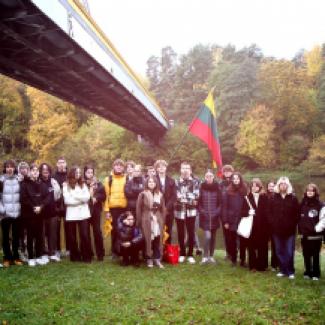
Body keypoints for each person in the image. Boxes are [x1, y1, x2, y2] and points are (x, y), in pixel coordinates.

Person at [268, 176, 299, 279]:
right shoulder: (273, 197)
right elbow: (269, 213)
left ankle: (290, 271)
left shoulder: (293, 198)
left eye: (285, 184)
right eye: (281, 184)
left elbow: (297, 214)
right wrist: (273, 223)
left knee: (289, 251)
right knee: (279, 251)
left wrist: (292, 224)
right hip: (276, 230)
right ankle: (282, 270)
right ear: (279, 185)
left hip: (289, 230)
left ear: (288, 185)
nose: (283, 186)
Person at [20, 163, 51, 267]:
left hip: (40, 214)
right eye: (33, 170)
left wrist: (41, 207)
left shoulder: (42, 184)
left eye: (37, 171)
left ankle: (39, 256)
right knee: (30, 236)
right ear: (29, 172)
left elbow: (47, 197)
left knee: (39, 236)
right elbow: (24, 199)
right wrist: (34, 207)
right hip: (29, 214)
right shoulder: (25, 184)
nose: (35, 172)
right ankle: (31, 258)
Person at [63, 166, 92, 263]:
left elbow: (87, 197)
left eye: (79, 173)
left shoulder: (82, 184)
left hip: (83, 213)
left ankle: (86, 256)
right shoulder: (66, 185)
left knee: (84, 235)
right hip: (71, 214)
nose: (78, 175)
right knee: (72, 236)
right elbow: (67, 200)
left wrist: (75, 196)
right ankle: (75, 256)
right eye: (76, 173)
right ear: (72, 173)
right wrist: (81, 200)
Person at [136, 176, 166, 268]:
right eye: (149, 182)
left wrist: (162, 220)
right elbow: (138, 208)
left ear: (156, 183)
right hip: (146, 218)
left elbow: (163, 208)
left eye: (153, 182)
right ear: (147, 183)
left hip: (157, 219)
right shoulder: (143, 194)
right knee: (148, 239)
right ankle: (148, 258)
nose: (151, 183)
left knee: (157, 239)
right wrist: (139, 221)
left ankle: (157, 258)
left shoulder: (160, 194)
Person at [174, 162, 200, 264]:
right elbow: (177, 195)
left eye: (187, 168)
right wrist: (188, 197)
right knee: (180, 232)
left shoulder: (196, 181)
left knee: (191, 232)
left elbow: (196, 195)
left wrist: (184, 197)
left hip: (191, 211)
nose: (185, 170)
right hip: (179, 210)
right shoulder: (176, 182)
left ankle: (190, 254)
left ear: (190, 170)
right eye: (183, 168)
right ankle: (182, 253)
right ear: (180, 170)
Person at [241, 178, 268, 271]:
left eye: (256, 185)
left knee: (262, 246)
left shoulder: (264, 197)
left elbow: (267, 212)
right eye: (252, 185)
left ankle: (262, 266)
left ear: (260, 186)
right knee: (251, 246)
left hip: (263, 226)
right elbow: (242, 212)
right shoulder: (247, 197)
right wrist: (248, 212)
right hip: (252, 226)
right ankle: (252, 266)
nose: (254, 187)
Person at [298, 184, 323, 280]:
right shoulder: (303, 204)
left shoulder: (320, 204)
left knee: (315, 254)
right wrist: (300, 231)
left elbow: (323, 220)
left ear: (315, 192)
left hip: (315, 235)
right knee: (306, 253)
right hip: (304, 234)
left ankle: (316, 273)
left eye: (312, 191)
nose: (309, 192)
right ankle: (307, 272)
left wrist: (315, 229)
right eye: (308, 190)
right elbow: (299, 218)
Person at [0, 159, 23, 267]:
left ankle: (16, 257)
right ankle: (7, 258)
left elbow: (23, 195)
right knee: (5, 237)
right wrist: (2, 210)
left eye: (11, 166)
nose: (9, 168)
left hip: (17, 213)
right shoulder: (1, 180)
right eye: (7, 166)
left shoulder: (19, 179)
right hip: (5, 214)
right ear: (5, 168)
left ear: (14, 168)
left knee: (15, 236)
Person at [222, 172, 247, 266]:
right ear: (232, 180)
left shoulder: (244, 190)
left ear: (240, 179)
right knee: (232, 241)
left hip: (242, 219)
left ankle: (243, 260)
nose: (236, 180)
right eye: (234, 179)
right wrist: (225, 221)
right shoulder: (228, 191)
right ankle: (233, 259)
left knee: (243, 241)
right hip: (231, 219)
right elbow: (225, 207)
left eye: (237, 178)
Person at [103, 159, 128, 258]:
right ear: (113, 167)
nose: (118, 167)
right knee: (114, 230)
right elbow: (106, 196)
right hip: (113, 209)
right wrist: (107, 210)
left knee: (124, 230)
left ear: (123, 168)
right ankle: (114, 252)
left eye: (121, 166)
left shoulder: (127, 178)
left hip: (124, 208)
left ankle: (123, 250)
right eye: (117, 165)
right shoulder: (108, 179)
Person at [198, 170, 222, 264]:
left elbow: (221, 203)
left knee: (213, 238)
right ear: (205, 177)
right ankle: (205, 256)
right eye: (207, 176)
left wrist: (217, 212)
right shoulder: (201, 187)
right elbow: (198, 203)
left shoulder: (217, 188)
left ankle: (211, 256)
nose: (209, 178)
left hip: (215, 217)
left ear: (213, 177)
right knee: (208, 236)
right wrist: (202, 211)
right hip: (205, 217)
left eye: (211, 176)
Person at [39, 163, 61, 262]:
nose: (45, 171)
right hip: (41, 214)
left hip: (53, 213)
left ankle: (52, 253)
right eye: (43, 169)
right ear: (40, 171)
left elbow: (58, 196)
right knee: (42, 234)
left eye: (47, 169)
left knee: (53, 234)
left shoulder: (53, 181)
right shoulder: (38, 182)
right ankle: (43, 253)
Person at [84, 165, 106, 261]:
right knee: (86, 232)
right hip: (84, 210)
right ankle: (88, 253)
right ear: (85, 173)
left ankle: (100, 254)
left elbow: (103, 195)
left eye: (91, 172)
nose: (90, 174)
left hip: (96, 210)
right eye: (88, 172)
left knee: (97, 231)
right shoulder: (82, 183)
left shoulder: (98, 183)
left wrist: (96, 198)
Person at [154, 160, 176, 244]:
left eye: (163, 166)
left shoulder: (171, 180)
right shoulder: (153, 180)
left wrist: (166, 208)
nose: (161, 168)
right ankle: (158, 252)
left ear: (166, 168)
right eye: (159, 166)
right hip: (157, 210)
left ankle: (168, 252)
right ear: (157, 169)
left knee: (168, 231)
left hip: (168, 211)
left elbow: (174, 196)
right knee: (157, 231)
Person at [53, 157, 69, 257]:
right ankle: (57, 249)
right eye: (59, 162)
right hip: (57, 206)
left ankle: (69, 249)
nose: (61, 164)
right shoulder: (53, 176)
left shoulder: (69, 175)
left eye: (63, 162)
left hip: (68, 206)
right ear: (57, 164)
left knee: (68, 228)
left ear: (66, 164)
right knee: (57, 229)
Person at [219, 165, 235, 261]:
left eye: (229, 171)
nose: (227, 173)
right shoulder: (221, 184)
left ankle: (234, 252)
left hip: (234, 212)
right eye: (225, 171)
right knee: (226, 233)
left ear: (232, 172)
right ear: (223, 173)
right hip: (224, 212)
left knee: (234, 233)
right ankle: (228, 252)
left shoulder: (235, 182)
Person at [17, 161, 30, 262]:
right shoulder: (16, 180)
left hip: (29, 211)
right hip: (18, 210)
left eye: (25, 168)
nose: (23, 170)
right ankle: (20, 251)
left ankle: (28, 251)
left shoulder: (30, 180)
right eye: (21, 168)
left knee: (28, 232)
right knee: (20, 233)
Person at [266, 180, 278, 271]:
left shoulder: (277, 197)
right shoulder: (264, 196)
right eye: (269, 186)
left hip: (274, 225)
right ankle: (264, 263)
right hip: (265, 225)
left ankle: (275, 264)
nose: (271, 188)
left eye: (273, 186)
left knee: (275, 245)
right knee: (264, 245)